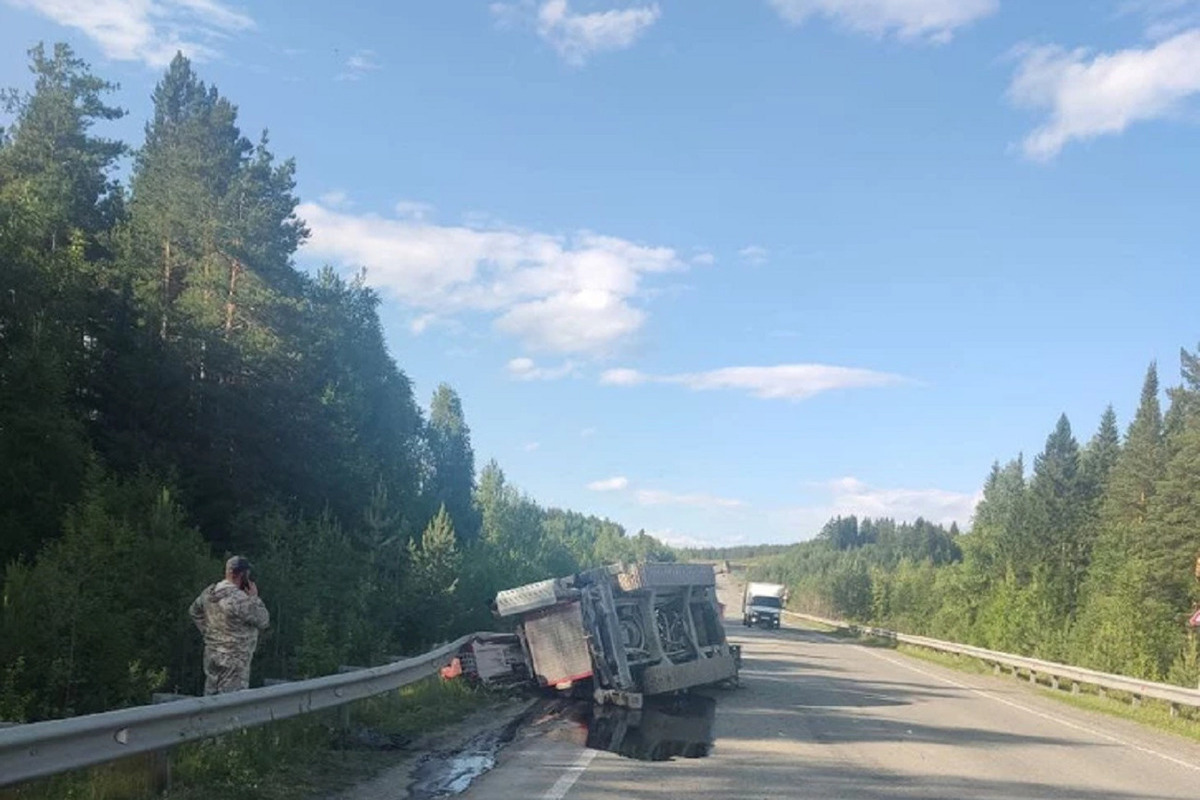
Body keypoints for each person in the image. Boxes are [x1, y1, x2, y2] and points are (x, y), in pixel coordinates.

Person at [189, 556, 270, 694]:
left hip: (212, 653)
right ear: (242, 575)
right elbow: (263, 620)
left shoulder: (209, 593)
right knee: (231, 703)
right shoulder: (240, 600)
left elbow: (194, 611)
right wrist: (254, 598)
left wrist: (208, 632)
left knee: (211, 700)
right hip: (234, 658)